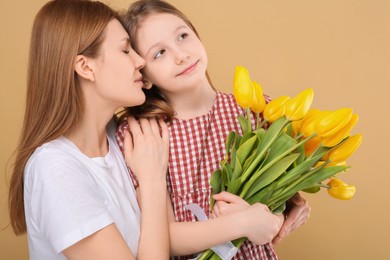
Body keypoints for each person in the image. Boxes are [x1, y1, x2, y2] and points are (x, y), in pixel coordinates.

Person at [116, 0, 311, 259]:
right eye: (159, 53)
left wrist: (280, 214)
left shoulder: (253, 108)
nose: (181, 55)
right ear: (145, 75)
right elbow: (162, 237)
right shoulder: (146, 135)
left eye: (183, 36)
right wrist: (242, 223)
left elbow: (278, 197)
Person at [8, 0, 169, 259]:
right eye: (126, 50)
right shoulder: (54, 169)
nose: (140, 61)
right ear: (85, 67)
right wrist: (152, 181)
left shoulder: (120, 138)